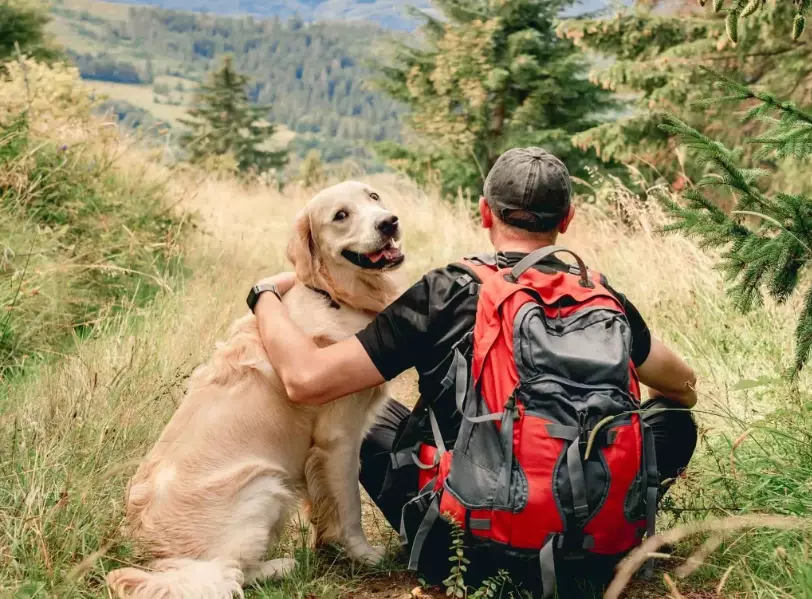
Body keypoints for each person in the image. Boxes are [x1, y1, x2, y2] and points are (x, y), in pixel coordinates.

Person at [249, 148, 698, 597]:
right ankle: (600, 524)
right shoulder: (600, 295)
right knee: (675, 419)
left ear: (485, 213)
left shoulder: (445, 291)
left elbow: (306, 380)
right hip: (596, 546)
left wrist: (264, 295)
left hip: (460, 548)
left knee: (367, 415)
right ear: (567, 219)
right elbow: (684, 387)